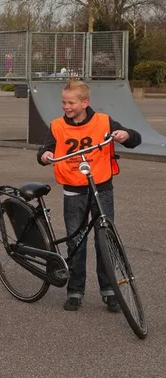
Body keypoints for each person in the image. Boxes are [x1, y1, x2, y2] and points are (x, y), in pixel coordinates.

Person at [37, 80, 141, 312]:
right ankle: (75, 290)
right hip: (73, 191)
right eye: (63, 102)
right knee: (76, 241)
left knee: (105, 240)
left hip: (101, 189)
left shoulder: (103, 121)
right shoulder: (57, 126)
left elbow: (135, 139)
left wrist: (125, 135)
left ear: (85, 103)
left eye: (71, 102)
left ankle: (109, 290)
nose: (66, 106)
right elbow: (44, 150)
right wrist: (45, 155)